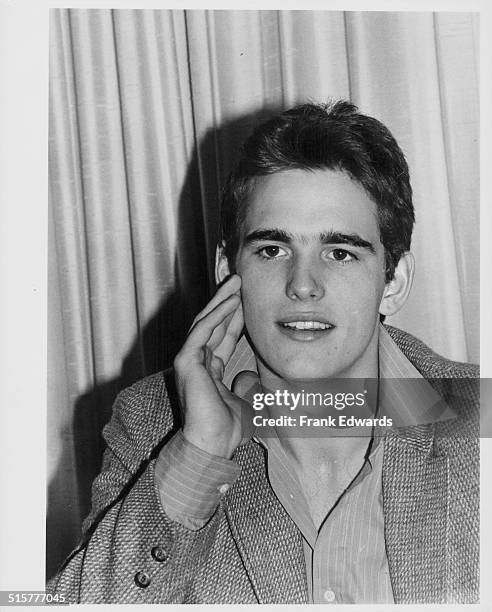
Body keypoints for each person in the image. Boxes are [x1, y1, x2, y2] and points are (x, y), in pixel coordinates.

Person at [47, 100, 479, 604]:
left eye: (339, 253)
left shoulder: (473, 416)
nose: (302, 285)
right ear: (227, 272)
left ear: (394, 282)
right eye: (272, 250)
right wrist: (200, 457)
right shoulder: (152, 423)